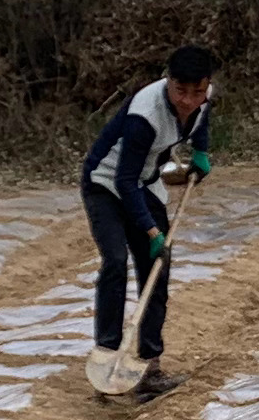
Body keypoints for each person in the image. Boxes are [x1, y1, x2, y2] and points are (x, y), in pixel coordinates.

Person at [81, 41, 218, 401]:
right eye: (180, 91)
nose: (188, 100)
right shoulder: (145, 115)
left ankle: (150, 364)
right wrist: (152, 230)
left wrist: (200, 151)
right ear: (167, 81)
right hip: (106, 183)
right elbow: (124, 181)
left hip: (144, 182)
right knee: (115, 260)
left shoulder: (202, 98)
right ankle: (108, 352)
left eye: (197, 91)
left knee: (158, 265)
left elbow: (199, 119)